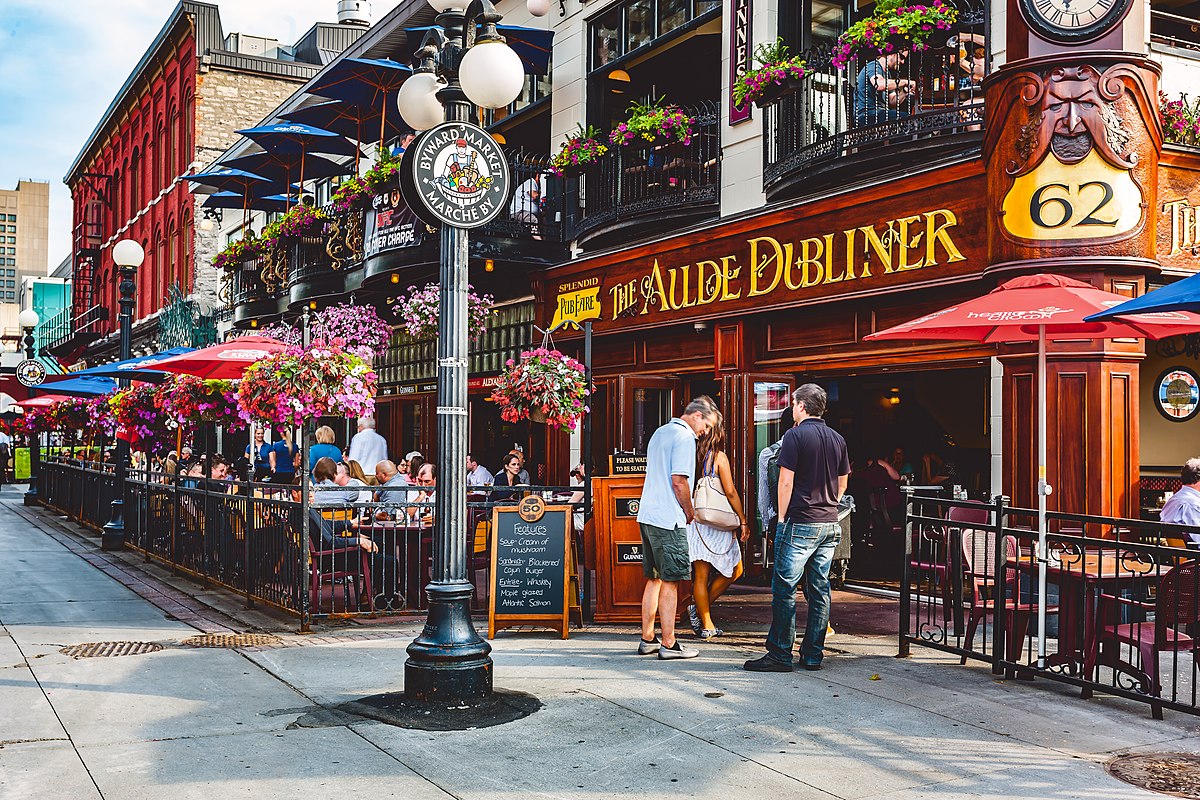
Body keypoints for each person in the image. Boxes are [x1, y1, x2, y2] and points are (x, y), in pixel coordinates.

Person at [745, 384, 848, 673]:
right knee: (819, 589)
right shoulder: (838, 438)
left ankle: (779, 654)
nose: (791, 408)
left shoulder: (794, 435)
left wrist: (780, 519)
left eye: (792, 404)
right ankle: (813, 655)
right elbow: (843, 483)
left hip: (800, 521)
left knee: (784, 588)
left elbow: (786, 481)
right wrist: (829, 505)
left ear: (801, 406)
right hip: (829, 522)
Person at [635, 395, 718, 661]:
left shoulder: (661, 432)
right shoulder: (684, 437)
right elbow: (679, 481)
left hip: (648, 514)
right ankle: (669, 643)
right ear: (697, 416)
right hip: (669, 518)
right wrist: (690, 511)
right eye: (707, 425)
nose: (705, 432)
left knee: (654, 578)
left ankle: (648, 638)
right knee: (670, 581)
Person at [686, 412, 749, 640]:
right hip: (718, 521)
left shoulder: (689, 456)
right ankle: (707, 623)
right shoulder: (718, 457)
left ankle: (699, 610)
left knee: (704, 575)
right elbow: (730, 492)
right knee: (733, 570)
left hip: (697, 520)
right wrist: (742, 520)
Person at [854, 50, 915, 128]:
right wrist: (906, 82)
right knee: (908, 120)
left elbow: (892, 101)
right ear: (892, 54)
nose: (903, 62)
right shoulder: (873, 66)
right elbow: (879, 84)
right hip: (867, 115)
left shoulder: (887, 74)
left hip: (879, 114)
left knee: (909, 119)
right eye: (902, 57)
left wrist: (905, 91)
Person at [1162, 458, 1200, 545]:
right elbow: (1198, 540)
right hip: (1192, 555)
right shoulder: (1193, 505)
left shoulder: (1173, 500)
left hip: (1180, 555)